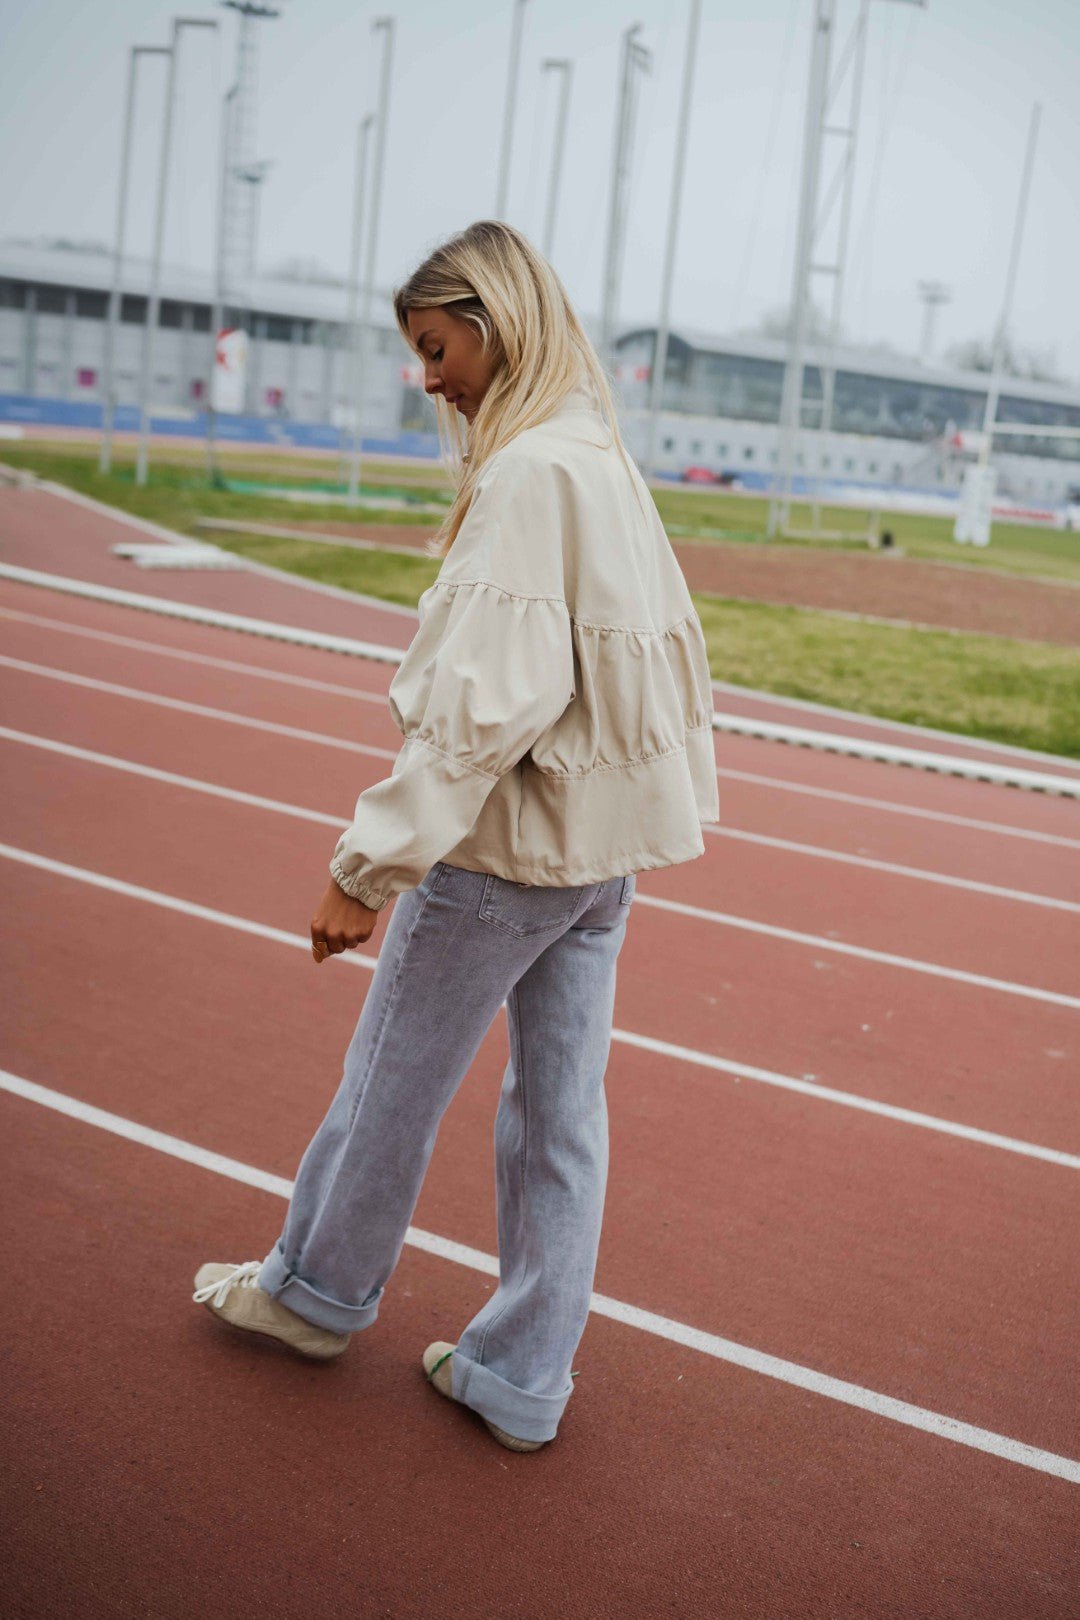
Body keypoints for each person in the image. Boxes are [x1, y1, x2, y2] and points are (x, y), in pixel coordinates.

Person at [191, 220, 719, 1454]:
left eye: (438, 348)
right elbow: (655, 668)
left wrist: (363, 868)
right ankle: (526, 1374)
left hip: (501, 854)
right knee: (561, 1119)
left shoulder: (533, 471)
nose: (431, 379)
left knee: (391, 1082)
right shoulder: (601, 455)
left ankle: (316, 1293)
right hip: (598, 861)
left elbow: (488, 701)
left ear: (497, 319)